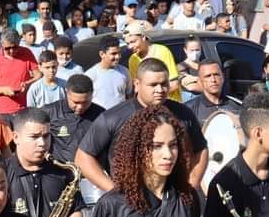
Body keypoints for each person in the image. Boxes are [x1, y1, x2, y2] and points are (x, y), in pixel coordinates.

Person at [77, 58, 208, 193]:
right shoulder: (113, 117)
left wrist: (191, 185)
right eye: (153, 85)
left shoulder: (183, 113)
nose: (160, 90)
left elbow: (201, 149)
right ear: (137, 84)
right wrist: (114, 192)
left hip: (173, 199)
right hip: (130, 201)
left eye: (164, 84)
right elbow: (83, 157)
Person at [46, 74, 104, 164]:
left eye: (85, 102)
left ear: (92, 94)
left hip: (88, 173)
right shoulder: (50, 112)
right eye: (75, 102)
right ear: (66, 92)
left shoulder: (102, 115)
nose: (80, 107)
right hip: (57, 173)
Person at [123, 22, 183, 102]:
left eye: (133, 42)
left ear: (143, 37)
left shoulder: (162, 51)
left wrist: (154, 95)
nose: (130, 47)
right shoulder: (133, 60)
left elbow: (174, 83)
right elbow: (137, 88)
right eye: (127, 43)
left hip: (170, 104)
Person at [0, 29, 39, 116]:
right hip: (3, 111)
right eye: (7, 48)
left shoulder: (26, 53)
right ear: (2, 44)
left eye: (15, 47)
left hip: (24, 109)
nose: (12, 51)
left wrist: (28, 83)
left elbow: (38, 75)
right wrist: (3, 90)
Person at [85, 36, 130, 111]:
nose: (118, 57)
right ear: (102, 54)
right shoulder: (90, 75)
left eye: (119, 53)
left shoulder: (125, 71)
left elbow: (129, 96)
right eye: (113, 53)